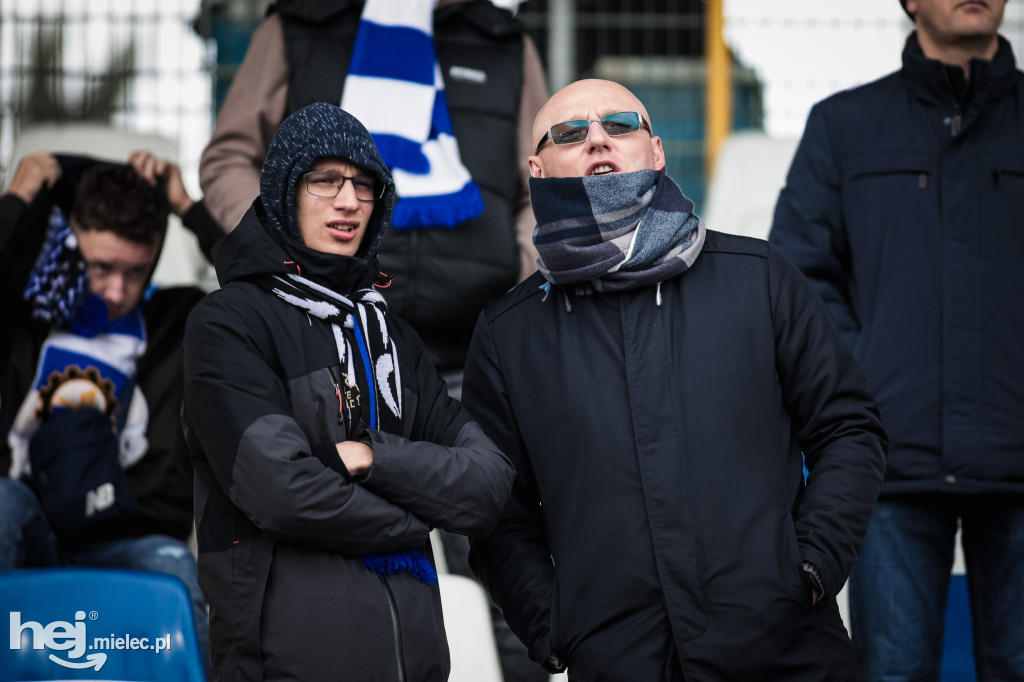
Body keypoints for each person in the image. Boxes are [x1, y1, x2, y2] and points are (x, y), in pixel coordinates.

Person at [461, 78, 888, 681]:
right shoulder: (509, 335)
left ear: (656, 151)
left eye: (620, 124)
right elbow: (496, 515)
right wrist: (555, 627)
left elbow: (849, 429)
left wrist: (810, 568)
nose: (599, 139)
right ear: (538, 168)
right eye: (571, 133)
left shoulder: (759, 278)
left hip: (785, 652)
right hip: (618, 662)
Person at [181, 102, 516, 681]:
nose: (348, 201)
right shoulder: (228, 323)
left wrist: (371, 456)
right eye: (325, 180)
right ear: (286, 191)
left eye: (365, 184)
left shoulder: (395, 338)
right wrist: (417, 519)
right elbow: (282, 490)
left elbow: (487, 484)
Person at [769, 1, 1024, 679]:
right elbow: (799, 282)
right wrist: (868, 384)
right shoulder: (843, 126)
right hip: (890, 462)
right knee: (892, 671)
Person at [199, 0, 547, 386]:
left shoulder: (505, 41)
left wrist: (521, 265)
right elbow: (230, 157)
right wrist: (283, 251)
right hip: (325, 349)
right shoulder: (300, 25)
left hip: (478, 350)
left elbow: (541, 177)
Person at [0, 150, 216, 667]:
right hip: (27, 523)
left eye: (135, 271)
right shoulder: (24, 311)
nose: (117, 291)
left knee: (179, 573)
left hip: (131, 541)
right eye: (101, 267)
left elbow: (271, 294)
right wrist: (19, 196)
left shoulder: (178, 321)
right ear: (71, 240)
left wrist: (187, 206)